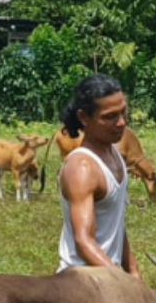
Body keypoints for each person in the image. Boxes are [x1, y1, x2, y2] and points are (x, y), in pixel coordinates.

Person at [57, 74, 140, 278]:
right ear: (84, 118)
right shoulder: (83, 168)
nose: (121, 123)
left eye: (123, 113)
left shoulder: (114, 155)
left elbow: (116, 224)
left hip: (106, 277)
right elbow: (84, 242)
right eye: (110, 117)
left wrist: (133, 271)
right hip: (82, 281)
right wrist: (123, 283)